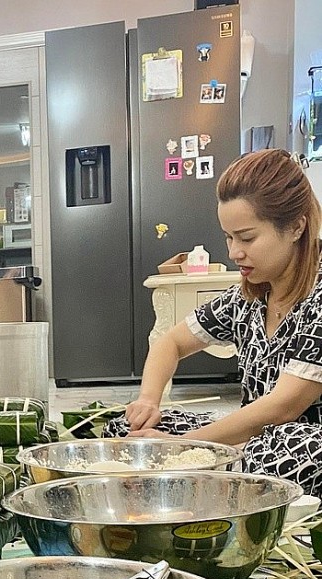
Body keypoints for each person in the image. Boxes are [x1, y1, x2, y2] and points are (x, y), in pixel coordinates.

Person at [107, 148, 322, 497]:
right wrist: (149, 400)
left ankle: (201, 474)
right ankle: (211, 475)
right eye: (229, 237)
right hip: (247, 445)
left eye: (247, 238)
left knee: (288, 449)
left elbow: (285, 406)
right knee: (129, 429)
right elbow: (170, 343)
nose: (234, 252)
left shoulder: (319, 297)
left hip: (293, 448)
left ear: (296, 226)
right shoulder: (249, 297)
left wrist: (182, 448)